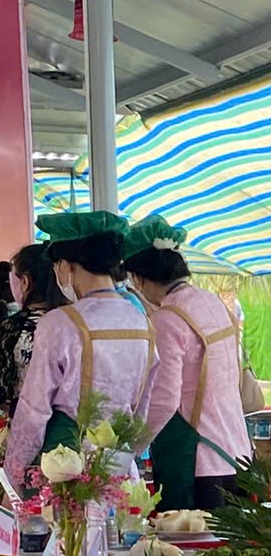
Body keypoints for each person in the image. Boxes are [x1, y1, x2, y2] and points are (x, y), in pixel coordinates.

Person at [4, 210, 154, 494]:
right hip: (120, 465)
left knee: (69, 537)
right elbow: (145, 408)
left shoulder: (60, 323)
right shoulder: (142, 322)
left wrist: (14, 476)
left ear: (65, 265)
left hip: (65, 464)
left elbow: (33, 411)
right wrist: (127, 453)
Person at [126, 214, 253, 511]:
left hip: (198, 460)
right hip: (237, 451)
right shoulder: (213, 303)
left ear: (138, 278)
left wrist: (130, 446)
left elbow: (164, 399)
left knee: (192, 551)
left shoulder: (167, 319)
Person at [0, 244, 69, 421]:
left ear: (25, 282)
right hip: (69, 425)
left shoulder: (11, 328)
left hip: (21, 421)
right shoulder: (74, 322)